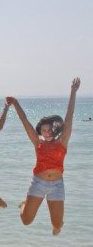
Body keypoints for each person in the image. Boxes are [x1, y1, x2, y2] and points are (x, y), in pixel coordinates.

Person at [7, 77, 81, 235]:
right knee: (26, 221)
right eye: (43, 130)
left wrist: (73, 91)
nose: (46, 133)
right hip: (38, 183)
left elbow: (69, 115)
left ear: (55, 130)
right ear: (40, 131)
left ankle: (57, 224)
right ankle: (23, 205)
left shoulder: (62, 141)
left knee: (57, 225)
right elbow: (24, 120)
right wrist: (15, 102)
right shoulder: (37, 142)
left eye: (50, 130)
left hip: (57, 185)